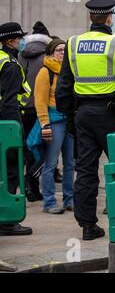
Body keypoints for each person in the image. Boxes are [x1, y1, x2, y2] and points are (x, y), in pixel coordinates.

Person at [56, 0, 115, 240]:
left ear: (91, 18)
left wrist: (70, 117)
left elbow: (63, 86)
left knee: (85, 172)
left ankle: (87, 226)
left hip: (83, 114)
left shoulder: (73, 44)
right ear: (109, 17)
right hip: (112, 115)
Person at [0, 21, 33, 236]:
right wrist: (16, 130)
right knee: (11, 170)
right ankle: (8, 221)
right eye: (20, 38)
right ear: (10, 41)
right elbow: (9, 101)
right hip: (7, 124)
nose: (22, 41)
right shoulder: (10, 64)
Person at [34, 39, 74, 214]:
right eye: (59, 50)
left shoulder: (70, 70)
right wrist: (44, 123)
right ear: (51, 52)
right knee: (51, 163)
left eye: (65, 50)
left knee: (70, 163)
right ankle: (49, 202)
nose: (63, 53)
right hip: (54, 122)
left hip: (70, 120)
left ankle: (69, 200)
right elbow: (39, 100)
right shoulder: (45, 71)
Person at [18, 21, 53, 202]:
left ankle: (25, 187)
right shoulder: (47, 58)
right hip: (40, 109)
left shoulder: (20, 56)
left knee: (26, 147)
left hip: (22, 108)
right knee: (39, 149)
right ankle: (33, 186)